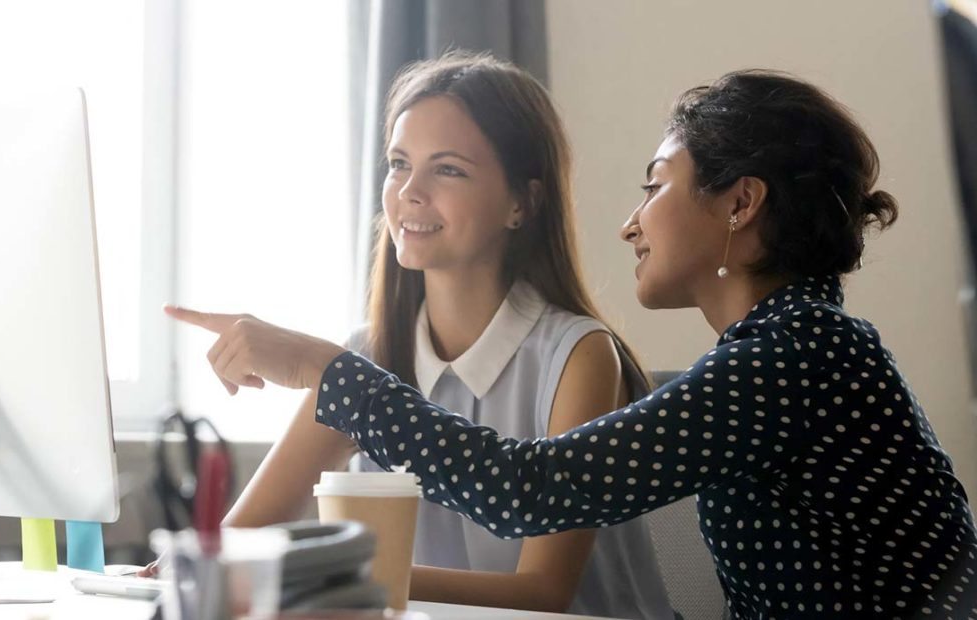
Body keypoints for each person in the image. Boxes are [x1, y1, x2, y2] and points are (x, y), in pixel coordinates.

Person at [174, 69, 977, 617]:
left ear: (740, 204)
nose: (632, 221)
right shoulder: (788, 349)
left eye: (656, 185)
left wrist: (325, 371)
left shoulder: (798, 354)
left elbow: (531, 490)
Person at [165, 52, 673, 618]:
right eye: (399, 163)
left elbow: (543, 591)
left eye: (448, 169)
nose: (409, 190)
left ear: (521, 202)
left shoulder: (578, 355)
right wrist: (173, 572)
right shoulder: (369, 356)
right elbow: (241, 535)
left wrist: (341, 576)